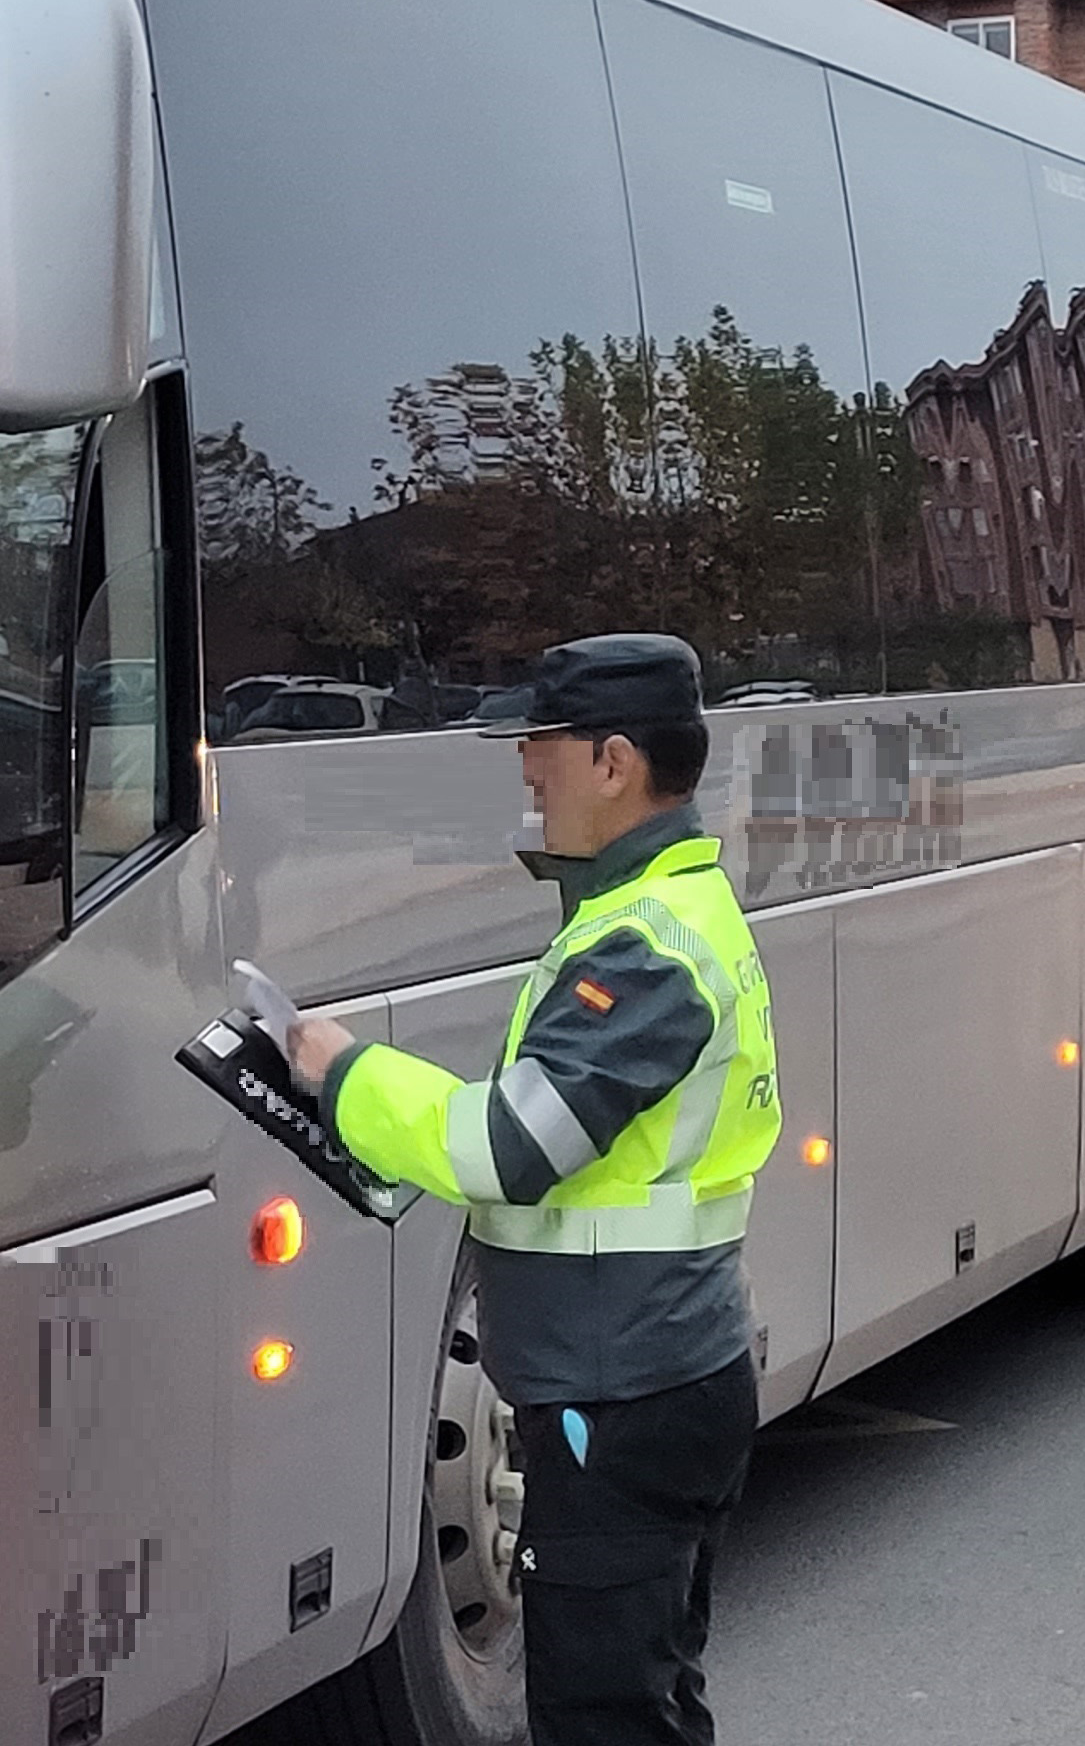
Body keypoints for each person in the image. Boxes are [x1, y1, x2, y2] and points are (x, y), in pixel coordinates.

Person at [281, 633, 776, 1746]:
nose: (523, 767)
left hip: (625, 1391)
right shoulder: (658, 915)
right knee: (650, 1699)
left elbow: (511, 1148)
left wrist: (343, 1072)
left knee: (602, 1714)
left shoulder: (641, 953)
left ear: (614, 762)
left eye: (540, 742)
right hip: (663, 1372)